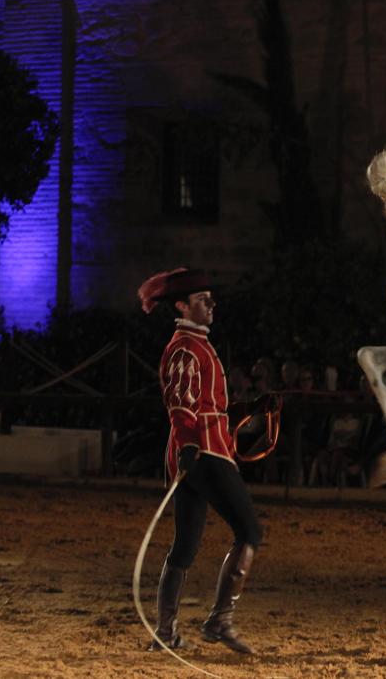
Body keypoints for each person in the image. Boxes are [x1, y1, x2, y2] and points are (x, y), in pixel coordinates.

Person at [136, 268, 264, 654]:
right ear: (182, 306)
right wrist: (190, 445)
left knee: (186, 544)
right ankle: (219, 620)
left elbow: (205, 403)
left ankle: (165, 631)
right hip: (203, 452)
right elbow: (181, 403)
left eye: (210, 299)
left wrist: (246, 409)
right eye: (202, 300)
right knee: (249, 531)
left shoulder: (195, 345)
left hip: (196, 451)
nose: (211, 304)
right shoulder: (186, 347)